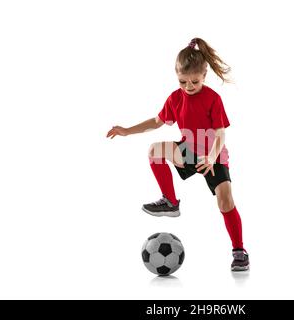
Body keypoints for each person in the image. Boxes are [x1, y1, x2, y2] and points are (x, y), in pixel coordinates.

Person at [106, 38, 249, 271]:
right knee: (155, 150)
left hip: (213, 155)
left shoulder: (213, 98)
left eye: (195, 81)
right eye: (183, 81)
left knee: (225, 202)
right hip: (189, 149)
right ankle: (170, 202)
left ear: (204, 76)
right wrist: (126, 131)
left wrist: (212, 157)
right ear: (177, 76)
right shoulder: (175, 98)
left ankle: (239, 251)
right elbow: (156, 122)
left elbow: (220, 133)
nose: (189, 86)